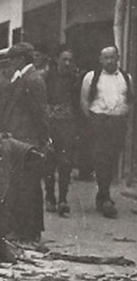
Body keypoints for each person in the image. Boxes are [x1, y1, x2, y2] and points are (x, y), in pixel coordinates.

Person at [0, 42, 49, 242]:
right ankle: (24, 228)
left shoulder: (33, 79)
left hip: (28, 142)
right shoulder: (22, 77)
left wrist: (43, 140)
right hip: (18, 140)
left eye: (13, 58)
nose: (9, 62)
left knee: (28, 186)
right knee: (20, 185)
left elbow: (40, 113)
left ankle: (29, 230)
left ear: (22, 58)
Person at [80, 45, 132, 218]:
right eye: (106, 58)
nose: (109, 61)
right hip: (99, 122)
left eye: (112, 57)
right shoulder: (91, 77)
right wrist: (91, 122)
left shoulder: (127, 77)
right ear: (100, 59)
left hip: (118, 123)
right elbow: (84, 101)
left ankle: (102, 195)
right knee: (100, 159)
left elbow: (130, 100)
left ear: (118, 58)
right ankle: (107, 199)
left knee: (112, 159)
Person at [44, 45, 80, 216]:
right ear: (57, 60)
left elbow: (79, 104)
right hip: (50, 124)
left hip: (68, 125)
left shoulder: (75, 80)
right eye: (64, 59)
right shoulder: (47, 78)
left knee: (65, 163)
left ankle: (63, 199)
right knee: (49, 162)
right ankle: (50, 196)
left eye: (70, 60)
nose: (67, 63)